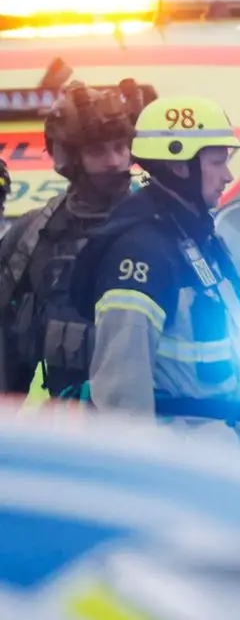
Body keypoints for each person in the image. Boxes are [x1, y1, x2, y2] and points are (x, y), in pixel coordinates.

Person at [71, 96, 240, 438]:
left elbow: (239, 355)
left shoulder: (200, 240)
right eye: (217, 162)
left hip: (226, 455)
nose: (228, 175)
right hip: (183, 464)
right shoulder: (139, 254)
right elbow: (121, 398)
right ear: (180, 167)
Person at [0, 80, 150, 400]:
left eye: (121, 147)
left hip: (154, 428)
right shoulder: (32, 236)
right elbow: (6, 348)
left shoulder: (163, 226)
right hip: (71, 431)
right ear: (69, 159)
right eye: (98, 151)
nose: (115, 162)